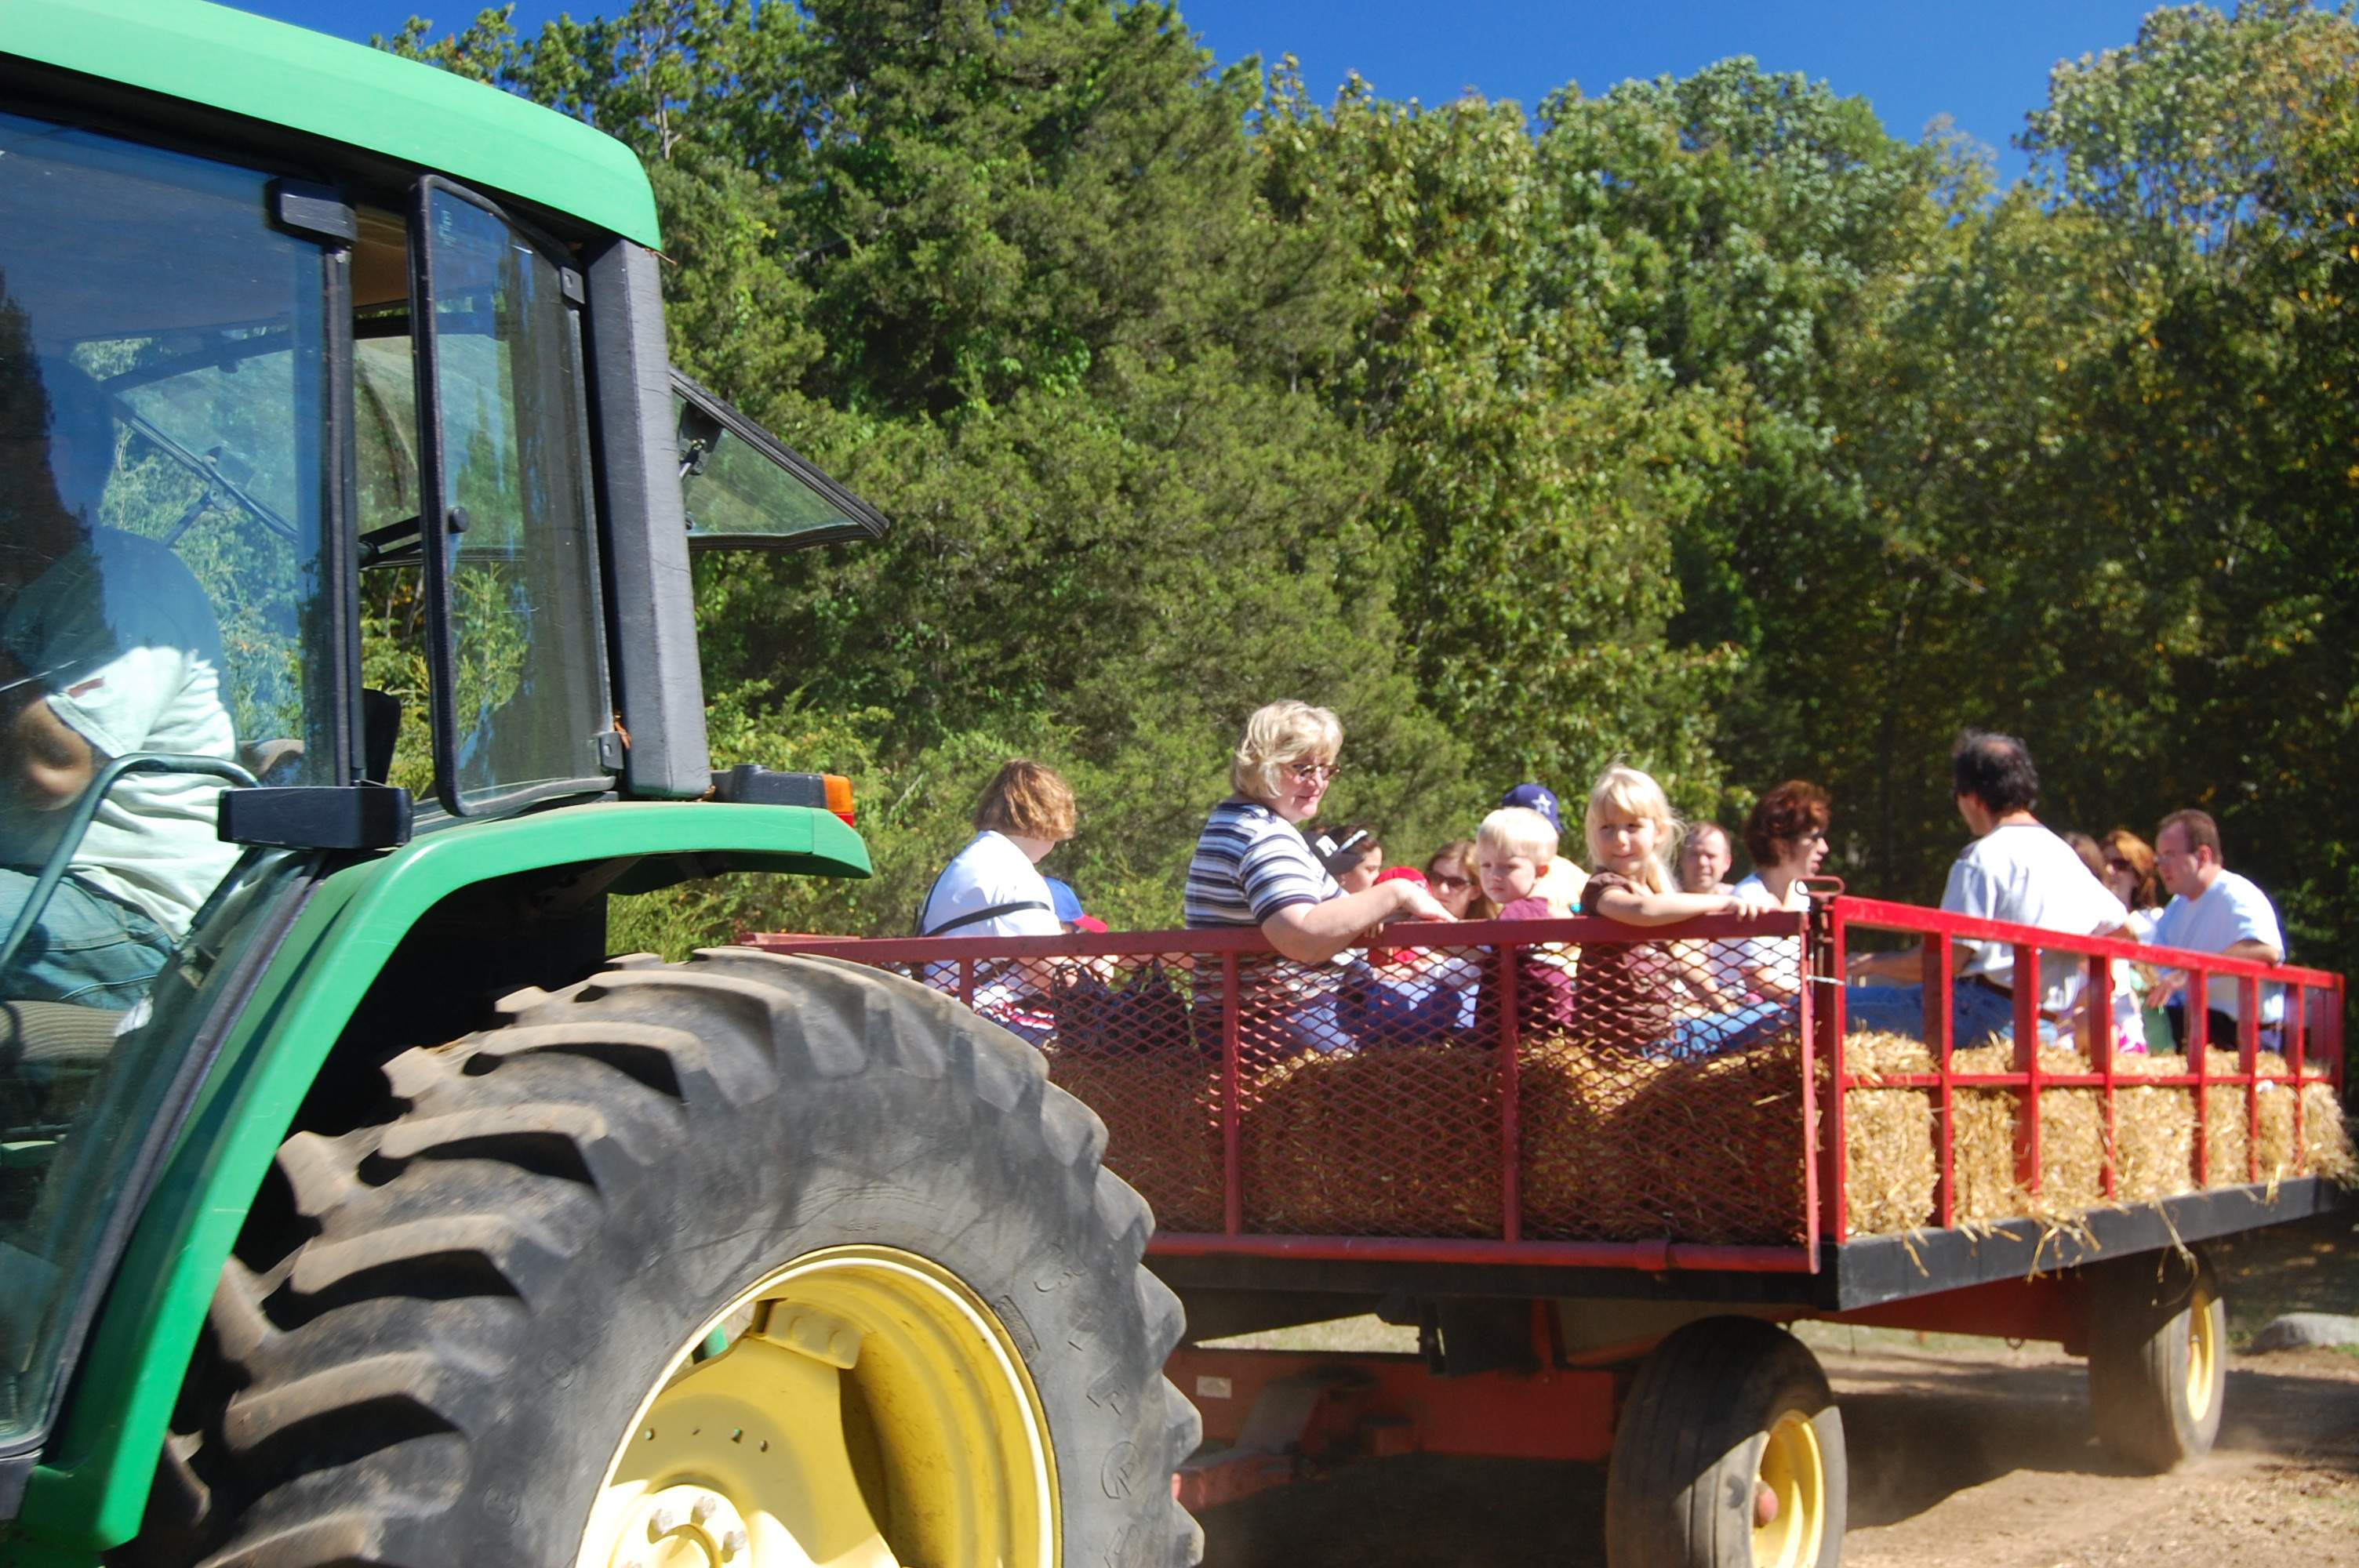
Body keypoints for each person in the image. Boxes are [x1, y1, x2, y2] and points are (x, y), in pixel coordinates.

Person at [0, 325, 238, 1008]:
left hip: (128, 917)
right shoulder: (22, 585)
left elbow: (53, 771)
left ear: (57, 457)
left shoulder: (126, 584)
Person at [1184, 701, 1451, 1056]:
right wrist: (1395, 893)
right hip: (1296, 1021)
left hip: (1258, 1020)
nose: (1318, 782)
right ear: (1261, 765)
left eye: (1326, 769)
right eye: (1303, 768)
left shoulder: (1231, 821)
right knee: (1450, 1004)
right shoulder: (1264, 835)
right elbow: (1302, 937)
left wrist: (1364, 915)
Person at [1845, 732, 2128, 1049]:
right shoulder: (2065, 857)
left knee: (1819, 1006)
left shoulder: (1982, 857)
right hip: (2041, 1027)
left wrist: (1876, 963)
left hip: (1977, 1017)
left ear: (1973, 799)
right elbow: (2124, 933)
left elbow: (1947, 961)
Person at [1572, 765, 1776, 1058]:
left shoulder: (1656, 893)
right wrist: (1722, 901)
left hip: (1659, 1039)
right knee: (1777, 1016)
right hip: (1629, 1048)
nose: (1620, 839)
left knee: (1765, 1018)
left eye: (1632, 827)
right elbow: (1642, 911)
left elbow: (1689, 965)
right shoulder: (1603, 887)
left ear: (1659, 832)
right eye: (1607, 828)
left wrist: (1726, 1010)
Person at [916, 759, 1078, 1040]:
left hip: (945, 1020)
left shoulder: (973, 860)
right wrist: (1100, 969)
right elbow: (1055, 979)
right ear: (1048, 818)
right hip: (987, 1027)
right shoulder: (1012, 874)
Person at [2149, 808, 2285, 1052]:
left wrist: (2188, 973)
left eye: (2170, 855)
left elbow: (2266, 950)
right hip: (2195, 1031)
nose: (2162, 866)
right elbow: (2157, 969)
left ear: (2203, 856)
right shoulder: (2174, 911)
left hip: (2244, 1040)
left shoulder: (2237, 894)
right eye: (2159, 858)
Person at [1474, 804, 1577, 1029]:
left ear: (1540, 872)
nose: (1494, 875)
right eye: (1486, 865)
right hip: (1543, 1024)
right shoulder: (1541, 909)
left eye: (1508, 867)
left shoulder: (1520, 912)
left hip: (1523, 1029)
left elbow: (1482, 945)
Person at [1729, 781, 1832, 1004]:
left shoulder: (1801, 893)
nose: (1824, 848)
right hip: (1747, 1015)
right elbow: (1756, 978)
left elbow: (1806, 969)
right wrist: (1815, 1003)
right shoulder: (1749, 896)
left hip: (1790, 1011)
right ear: (1781, 844)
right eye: (1814, 838)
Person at [1502, 781, 1588, 913]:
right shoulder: (1487, 871)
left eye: (1548, 831)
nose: (1539, 840)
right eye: (1529, 830)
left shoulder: (1574, 876)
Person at [1423, 838, 1479, 920]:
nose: (1442, 889)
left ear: (1475, 892)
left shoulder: (1493, 931)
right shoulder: (1405, 922)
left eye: (1456, 883)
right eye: (1436, 878)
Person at [1677, 820, 1737, 896]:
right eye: (1694, 855)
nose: (1702, 863)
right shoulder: (1663, 896)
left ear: (1727, 862)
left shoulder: (1741, 897)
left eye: (1710, 856)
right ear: (1681, 859)